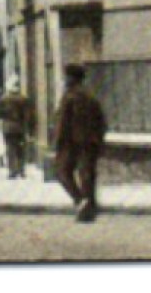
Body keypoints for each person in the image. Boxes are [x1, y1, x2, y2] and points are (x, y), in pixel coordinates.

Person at [52, 64, 107, 222]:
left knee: (62, 171)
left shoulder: (69, 97)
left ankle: (80, 201)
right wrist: (99, 139)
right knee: (87, 175)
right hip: (91, 142)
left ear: (71, 79)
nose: (65, 80)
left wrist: (57, 142)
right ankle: (89, 207)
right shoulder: (91, 96)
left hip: (72, 142)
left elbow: (62, 122)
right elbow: (101, 120)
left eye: (67, 77)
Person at [0, 78, 31, 179]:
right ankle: (21, 170)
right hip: (20, 127)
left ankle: (12, 171)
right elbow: (27, 115)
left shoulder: (3, 99)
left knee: (10, 149)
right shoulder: (23, 99)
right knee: (21, 149)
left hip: (8, 127)